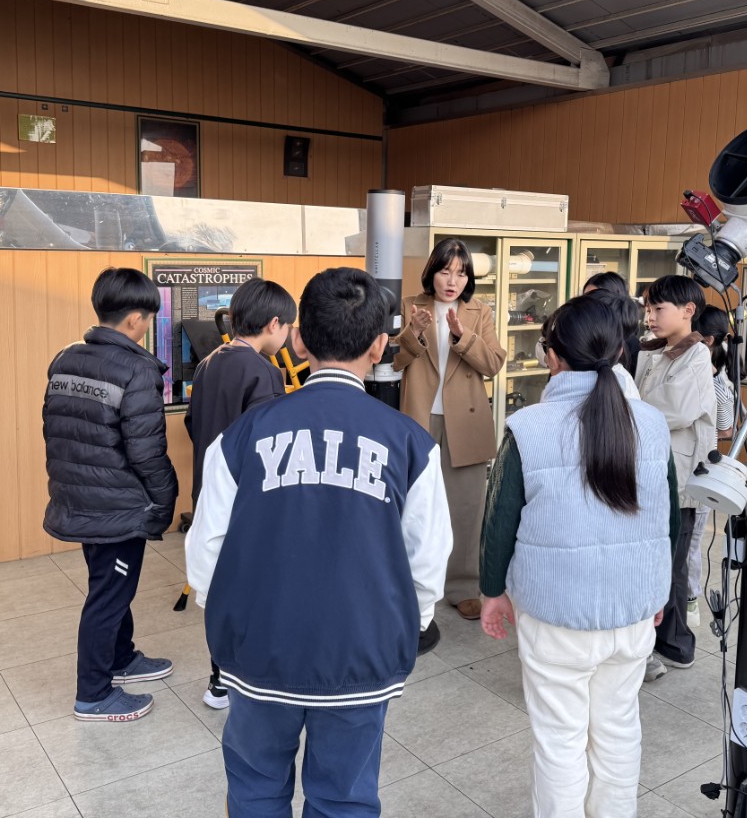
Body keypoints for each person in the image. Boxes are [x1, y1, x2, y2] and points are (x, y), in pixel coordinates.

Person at [185, 267, 452, 816]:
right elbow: (427, 561)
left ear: (301, 338)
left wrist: (230, 624)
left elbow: (206, 546)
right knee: (344, 797)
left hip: (258, 649)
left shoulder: (240, 438)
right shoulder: (411, 445)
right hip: (361, 652)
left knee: (256, 787)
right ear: (380, 344)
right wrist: (408, 627)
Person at [479, 295, 672, 818]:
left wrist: (492, 593)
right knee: (617, 730)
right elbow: (666, 519)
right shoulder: (651, 424)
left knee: (560, 741)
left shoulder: (529, 428)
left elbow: (500, 521)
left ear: (553, 357)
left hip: (555, 614)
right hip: (633, 611)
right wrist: (659, 593)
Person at [43, 267, 178, 722]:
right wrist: (164, 502)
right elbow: (147, 452)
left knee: (108, 585)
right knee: (108, 595)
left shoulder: (65, 358)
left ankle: (121, 659)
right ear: (137, 319)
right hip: (117, 507)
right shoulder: (137, 369)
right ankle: (94, 694)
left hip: (80, 499)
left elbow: (55, 430)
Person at [184, 276, 296, 710]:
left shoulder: (211, 360)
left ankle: (219, 679)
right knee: (253, 588)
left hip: (209, 491)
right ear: (273, 324)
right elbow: (269, 446)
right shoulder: (264, 372)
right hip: (246, 500)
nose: (288, 336)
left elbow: (193, 425)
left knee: (221, 585)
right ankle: (240, 678)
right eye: (288, 327)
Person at [395, 237, 507, 620]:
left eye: (460, 273)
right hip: (419, 415)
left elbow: (493, 363)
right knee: (414, 504)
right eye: (445, 270)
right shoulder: (411, 305)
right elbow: (392, 360)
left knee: (466, 506)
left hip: (466, 419)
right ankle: (411, 581)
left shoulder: (480, 312)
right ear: (432, 272)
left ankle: (462, 586)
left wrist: (462, 336)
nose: (452, 280)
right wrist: (414, 332)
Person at [633, 275, 715, 681]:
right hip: (652, 468)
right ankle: (662, 641)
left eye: (658, 309)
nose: (650, 317)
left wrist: (629, 405)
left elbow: (673, 409)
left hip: (679, 477)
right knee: (660, 558)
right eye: (648, 309)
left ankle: (676, 644)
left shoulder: (697, 356)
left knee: (673, 563)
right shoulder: (652, 352)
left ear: (688, 311)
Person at [684, 305, 737, 629]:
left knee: (691, 543)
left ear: (710, 340)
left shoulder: (719, 384)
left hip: (701, 469)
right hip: (684, 465)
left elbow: (727, 429)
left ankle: (690, 603)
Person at [581, 270, 642, 377]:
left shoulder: (632, 347)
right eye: (585, 299)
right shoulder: (585, 336)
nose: (588, 306)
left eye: (597, 298)